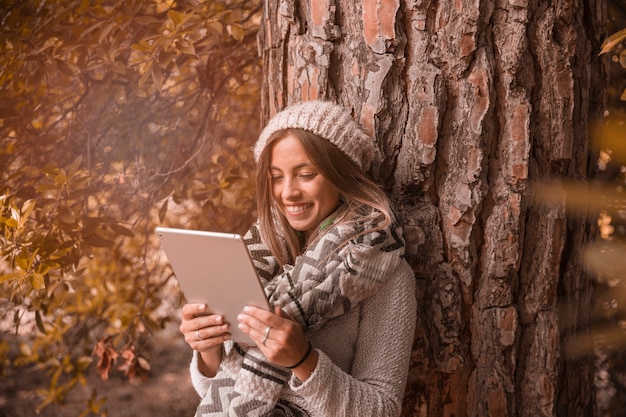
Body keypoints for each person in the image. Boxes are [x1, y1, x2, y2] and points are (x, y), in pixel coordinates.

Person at [179, 100, 417, 417]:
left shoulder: (383, 270)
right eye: (277, 177)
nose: (287, 192)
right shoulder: (256, 255)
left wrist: (303, 360)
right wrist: (207, 350)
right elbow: (216, 391)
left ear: (341, 176)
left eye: (305, 174)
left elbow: (383, 409)